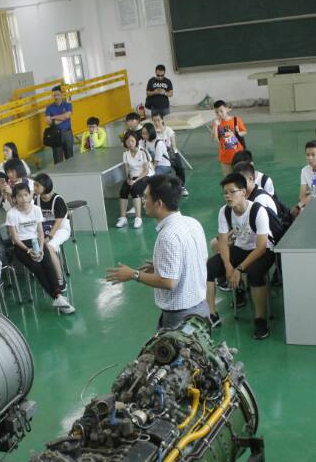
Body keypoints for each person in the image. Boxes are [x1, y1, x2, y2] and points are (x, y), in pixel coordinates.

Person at [106, 176, 208, 330]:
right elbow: (199, 260)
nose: (143, 201)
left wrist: (133, 274)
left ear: (159, 203)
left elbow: (169, 282)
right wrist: (163, 267)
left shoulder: (167, 235)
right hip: (201, 309)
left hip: (180, 318)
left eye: (146, 197)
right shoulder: (193, 223)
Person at [204, 172, 276, 339]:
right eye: (225, 193)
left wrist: (239, 269)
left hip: (263, 250)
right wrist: (228, 266)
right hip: (241, 248)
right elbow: (223, 241)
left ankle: (260, 320)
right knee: (210, 267)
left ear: (243, 192)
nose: (227, 196)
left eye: (232, 192)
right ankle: (212, 314)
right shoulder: (224, 211)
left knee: (255, 273)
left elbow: (261, 248)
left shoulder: (258, 210)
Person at [6, 183, 75, 313]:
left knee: (48, 265)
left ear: (30, 195)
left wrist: (42, 248)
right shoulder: (12, 214)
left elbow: (40, 232)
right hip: (21, 246)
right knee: (38, 268)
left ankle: (58, 296)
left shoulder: (36, 209)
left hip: (37, 242)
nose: (23, 198)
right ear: (14, 198)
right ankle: (57, 298)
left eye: (26, 195)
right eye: (19, 196)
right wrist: (28, 250)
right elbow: (15, 238)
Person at [33, 173, 71, 290]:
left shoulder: (58, 200)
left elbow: (58, 222)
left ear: (45, 186)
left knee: (48, 247)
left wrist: (48, 237)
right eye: (34, 185)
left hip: (60, 229)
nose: (34, 188)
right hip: (44, 229)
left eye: (37, 185)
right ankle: (46, 275)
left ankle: (60, 281)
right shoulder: (36, 199)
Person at [117, 129, 153, 229]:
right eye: (127, 141)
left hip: (145, 176)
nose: (130, 143)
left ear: (136, 141)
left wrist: (135, 181)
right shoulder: (125, 154)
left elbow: (146, 170)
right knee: (123, 191)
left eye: (132, 140)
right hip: (133, 177)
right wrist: (129, 179)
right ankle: (123, 218)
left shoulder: (143, 152)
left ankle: (138, 218)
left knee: (135, 189)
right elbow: (127, 169)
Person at [152, 111, 186, 192]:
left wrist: (169, 155)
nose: (156, 123)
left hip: (171, 153)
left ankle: (181, 186)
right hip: (159, 156)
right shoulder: (153, 133)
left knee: (180, 169)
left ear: (162, 120)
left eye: (158, 120)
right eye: (154, 120)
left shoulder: (168, 130)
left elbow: (173, 146)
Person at [210, 100, 247, 175]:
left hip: (238, 155)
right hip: (225, 157)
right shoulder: (216, 124)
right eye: (217, 112)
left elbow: (244, 131)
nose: (219, 114)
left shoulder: (236, 120)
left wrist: (238, 132)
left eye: (221, 111)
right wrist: (215, 126)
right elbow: (214, 139)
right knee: (229, 178)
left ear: (226, 109)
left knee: (241, 176)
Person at [44, 86, 74, 163]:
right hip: (55, 136)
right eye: (54, 95)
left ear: (61, 95)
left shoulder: (68, 105)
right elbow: (48, 121)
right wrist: (62, 117)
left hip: (67, 133)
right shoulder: (49, 108)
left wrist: (53, 117)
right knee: (58, 160)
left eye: (58, 95)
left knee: (70, 157)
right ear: (52, 96)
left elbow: (67, 116)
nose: (56, 97)